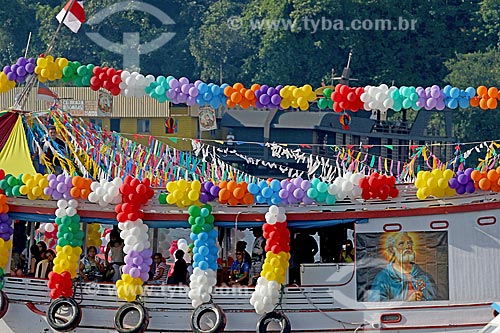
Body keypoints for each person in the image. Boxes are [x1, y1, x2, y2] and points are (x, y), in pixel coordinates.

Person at [368, 232, 436, 302]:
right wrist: (407, 302)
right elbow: (376, 304)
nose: (407, 247)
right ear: (392, 249)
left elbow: (435, 300)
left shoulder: (424, 276)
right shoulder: (383, 278)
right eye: (401, 244)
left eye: (409, 243)